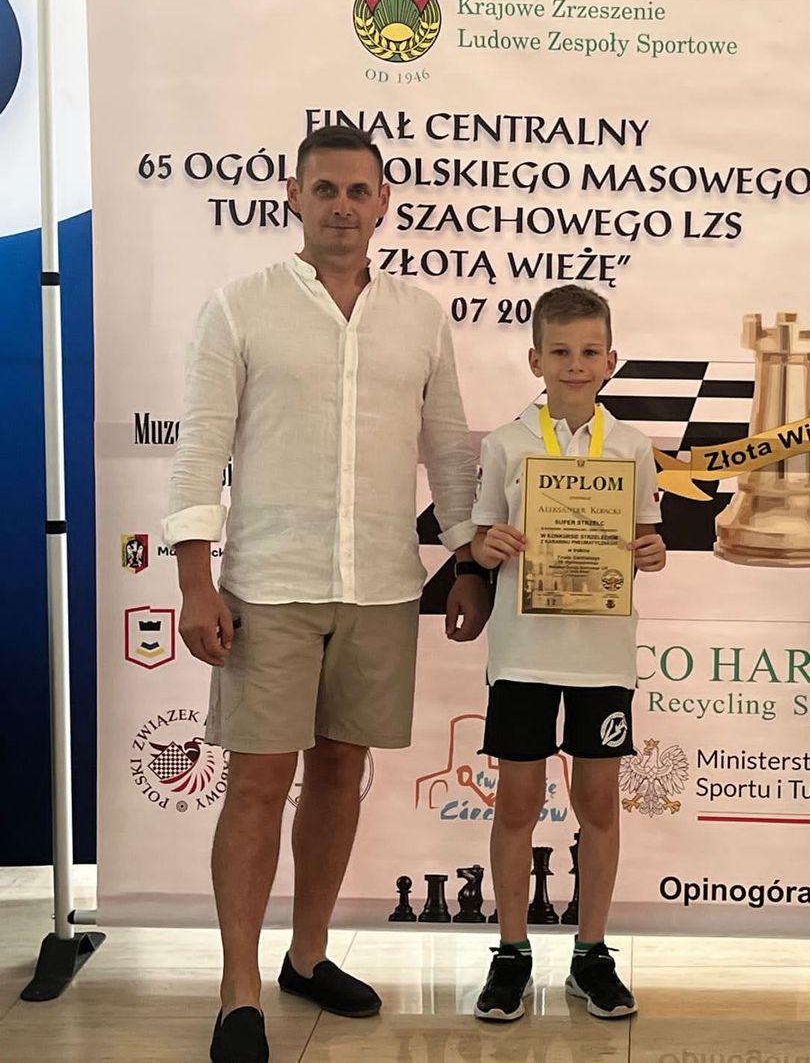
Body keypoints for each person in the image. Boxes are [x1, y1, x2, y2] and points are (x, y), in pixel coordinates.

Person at [166, 124, 490, 1063]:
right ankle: (238, 991)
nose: (342, 206)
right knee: (258, 782)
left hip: (383, 585)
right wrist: (195, 578)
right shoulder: (240, 308)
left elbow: (450, 450)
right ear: (294, 198)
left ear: (383, 202)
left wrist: (466, 562)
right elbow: (200, 447)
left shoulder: (421, 316)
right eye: (325, 190)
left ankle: (307, 957)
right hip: (268, 585)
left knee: (342, 772)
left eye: (358, 191)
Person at [467, 284, 666, 1023]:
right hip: (523, 654)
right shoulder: (506, 443)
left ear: (611, 361)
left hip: (601, 658)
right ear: (535, 360)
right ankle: (511, 952)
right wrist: (488, 547)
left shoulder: (632, 447)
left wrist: (651, 552)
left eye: (589, 352)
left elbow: (647, 537)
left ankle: (591, 953)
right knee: (518, 803)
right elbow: (480, 539)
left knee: (598, 804)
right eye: (560, 352)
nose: (575, 365)